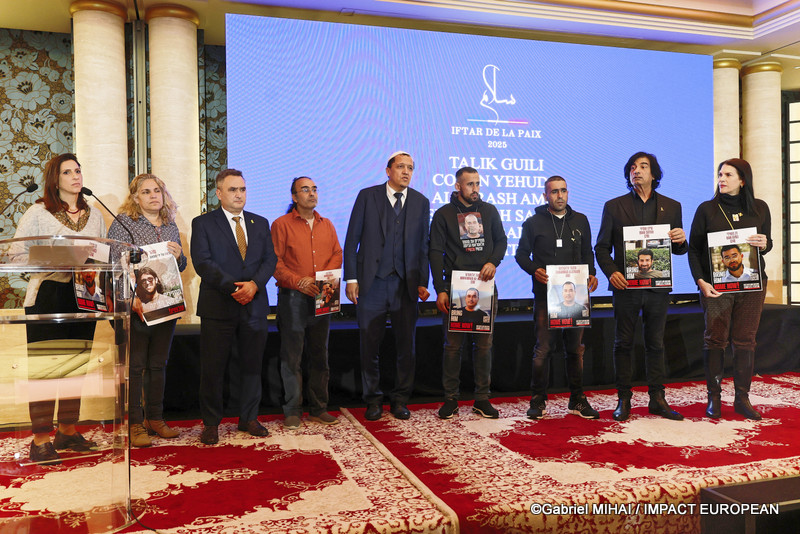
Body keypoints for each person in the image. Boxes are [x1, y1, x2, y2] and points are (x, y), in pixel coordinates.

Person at [13, 153, 105, 465]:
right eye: (67, 172)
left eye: (78, 170)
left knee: (75, 367)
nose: (76, 176)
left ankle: (67, 430)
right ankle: (40, 439)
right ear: (55, 179)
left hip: (85, 295)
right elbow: (14, 255)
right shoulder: (38, 212)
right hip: (48, 294)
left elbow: (102, 255)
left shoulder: (95, 215)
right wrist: (58, 256)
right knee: (46, 369)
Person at [595, 152, 687, 422]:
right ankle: (624, 399)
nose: (636, 171)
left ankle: (657, 399)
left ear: (654, 174)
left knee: (655, 344)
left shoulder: (672, 206)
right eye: (632, 167)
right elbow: (601, 249)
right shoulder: (614, 206)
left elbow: (679, 250)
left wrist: (681, 240)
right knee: (623, 343)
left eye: (643, 167)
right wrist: (612, 272)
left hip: (658, 288)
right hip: (626, 288)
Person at [191, 169, 277, 444]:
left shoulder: (260, 222)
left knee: (252, 366)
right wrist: (234, 288)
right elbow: (203, 262)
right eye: (232, 190)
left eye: (242, 189)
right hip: (219, 306)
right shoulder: (203, 223)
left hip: (254, 305)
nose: (239, 194)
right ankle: (211, 424)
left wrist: (253, 285)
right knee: (213, 369)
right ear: (219, 193)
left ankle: (249, 418)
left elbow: (270, 260)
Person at [344, 151, 431, 421]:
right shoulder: (367, 196)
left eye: (411, 168)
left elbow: (423, 247)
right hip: (373, 284)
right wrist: (352, 278)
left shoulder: (420, 202)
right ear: (388, 170)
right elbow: (351, 240)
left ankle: (400, 399)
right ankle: (373, 400)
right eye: (401, 167)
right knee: (370, 345)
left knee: (406, 346)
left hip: (405, 285)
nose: (406, 172)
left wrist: (422, 281)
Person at [107, 173, 187, 447]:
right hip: (135, 308)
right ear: (135, 198)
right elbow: (112, 266)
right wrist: (129, 300)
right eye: (146, 192)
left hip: (165, 307)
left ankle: (156, 418)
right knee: (137, 367)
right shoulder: (123, 225)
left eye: (157, 191)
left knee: (158, 365)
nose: (153, 195)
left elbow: (182, 266)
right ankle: (135, 424)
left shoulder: (170, 225)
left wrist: (180, 256)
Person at [688, 158, 771, 420]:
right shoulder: (707, 209)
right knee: (715, 339)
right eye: (719, 174)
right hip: (717, 288)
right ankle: (714, 398)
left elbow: (765, 245)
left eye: (728, 175)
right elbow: (694, 250)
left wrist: (764, 242)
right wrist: (701, 281)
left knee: (746, 340)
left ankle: (742, 399)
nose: (721, 179)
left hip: (751, 286)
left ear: (742, 180)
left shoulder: (759, 208)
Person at [516, 175, 599, 420]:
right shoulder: (533, 223)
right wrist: (534, 270)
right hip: (545, 297)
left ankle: (577, 400)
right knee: (543, 349)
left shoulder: (581, 220)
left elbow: (587, 252)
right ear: (545, 195)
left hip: (577, 296)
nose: (559, 195)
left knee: (575, 350)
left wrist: (592, 274)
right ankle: (538, 401)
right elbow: (521, 255)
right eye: (554, 192)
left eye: (563, 191)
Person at [429, 166, 506, 419]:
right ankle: (450, 399)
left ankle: (482, 399)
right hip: (455, 287)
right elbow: (435, 253)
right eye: (470, 184)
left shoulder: (489, 211)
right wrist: (440, 289)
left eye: (477, 184)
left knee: (484, 346)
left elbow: (502, 240)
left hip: (484, 287)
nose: (475, 189)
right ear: (458, 186)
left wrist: (493, 261)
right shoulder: (444, 214)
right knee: (452, 347)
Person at [271, 176, 343, 429]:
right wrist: (298, 281)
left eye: (314, 189)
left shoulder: (328, 224)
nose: (312, 193)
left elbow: (337, 253)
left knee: (319, 355)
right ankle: (292, 410)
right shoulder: (281, 224)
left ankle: (318, 408)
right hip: (293, 297)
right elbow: (275, 262)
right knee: (292, 356)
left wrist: (323, 280)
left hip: (324, 295)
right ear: (294, 197)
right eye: (305, 190)